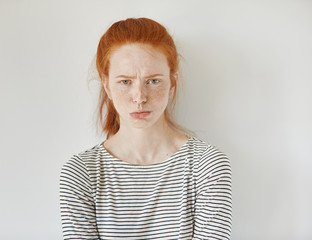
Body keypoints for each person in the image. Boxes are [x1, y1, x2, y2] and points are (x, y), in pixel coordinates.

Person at [60, 18, 232, 240]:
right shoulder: (81, 172)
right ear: (106, 85)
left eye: (153, 81)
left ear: (172, 83)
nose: (139, 97)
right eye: (125, 81)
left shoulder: (207, 166)